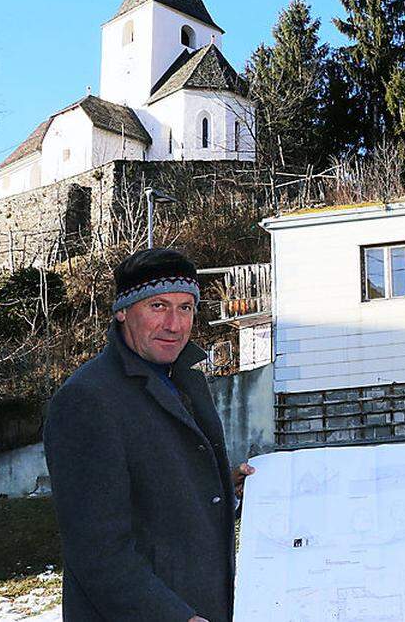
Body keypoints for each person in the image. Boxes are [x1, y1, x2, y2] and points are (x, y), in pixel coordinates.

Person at [44, 248, 254, 622]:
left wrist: (227, 488)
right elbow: (97, 551)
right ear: (122, 310)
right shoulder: (88, 399)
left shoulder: (187, 381)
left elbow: (161, 494)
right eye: (158, 306)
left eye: (186, 307)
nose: (175, 324)